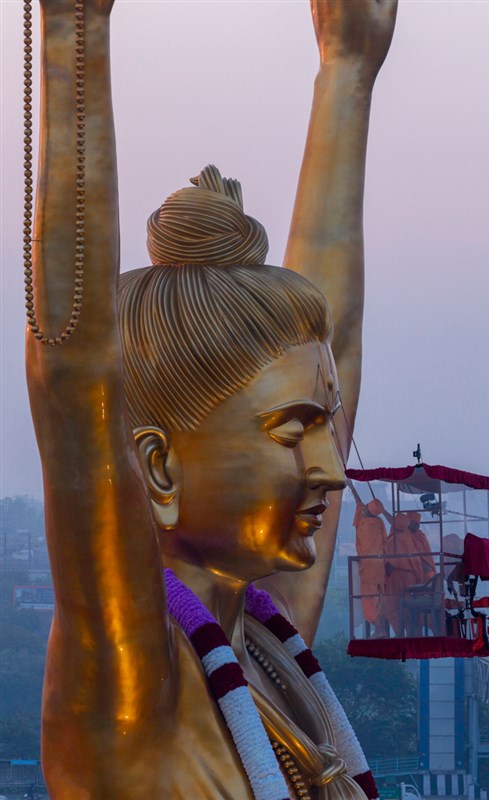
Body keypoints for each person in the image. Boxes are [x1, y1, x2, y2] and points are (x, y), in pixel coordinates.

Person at [25, 0, 397, 797]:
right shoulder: (133, 681)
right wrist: (73, 30)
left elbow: (346, 335)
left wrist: (347, 68)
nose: (332, 469)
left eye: (326, 427)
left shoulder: (259, 638)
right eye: (292, 431)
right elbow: (72, 381)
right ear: (156, 469)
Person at [348, 481, 387, 636]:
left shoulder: (366, 523)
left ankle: (378, 627)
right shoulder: (377, 521)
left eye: (365, 509)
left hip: (369, 567)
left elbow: (360, 505)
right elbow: (360, 504)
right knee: (379, 597)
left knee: (369, 599)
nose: (362, 509)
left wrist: (351, 486)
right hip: (380, 566)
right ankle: (380, 627)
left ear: (369, 512)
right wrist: (351, 487)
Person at [383, 513, 423, 636]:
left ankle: (399, 633)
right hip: (410, 577)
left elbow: (388, 564)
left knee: (393, 605)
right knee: (407, 606)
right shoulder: (409, 538)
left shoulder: (394, 539)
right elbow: (417, 561)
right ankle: (408, 633)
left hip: (395, 577)